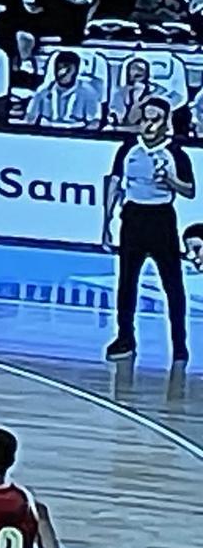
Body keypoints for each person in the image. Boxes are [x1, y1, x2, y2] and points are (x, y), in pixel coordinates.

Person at [103, 97, 195, 363]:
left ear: (166, 123)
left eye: (156, 119)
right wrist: (106, 222)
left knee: (172, 285)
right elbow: (115, 183)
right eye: (145, 119)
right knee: (126, 283)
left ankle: (179, 343)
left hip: (161, 219)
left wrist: (170, 180)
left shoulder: (176, 153)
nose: (149, 125)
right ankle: (125, 338)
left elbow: (190, 190)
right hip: (133, 217)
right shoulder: (128, 149)